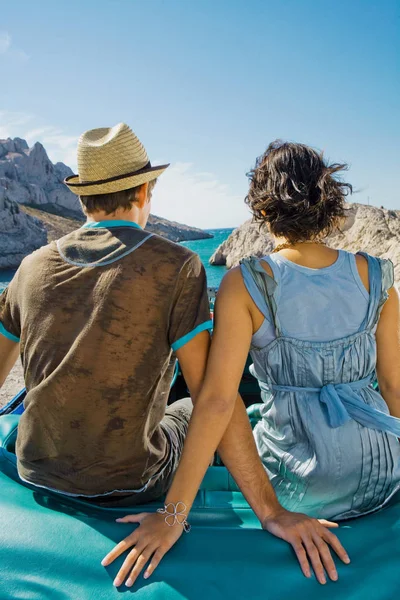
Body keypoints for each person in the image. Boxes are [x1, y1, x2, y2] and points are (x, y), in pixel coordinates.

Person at [0, 127, 348, 587]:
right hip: (133, 485)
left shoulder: (31, 266)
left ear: (84, 201)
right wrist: (271, 511)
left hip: (36, 468)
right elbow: (214, 399)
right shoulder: (176, 265)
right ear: (144, 191)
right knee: (188, 405)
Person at [102, 142, 382, 587]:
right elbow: (397, 393)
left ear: (263, 208)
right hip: (383, 475)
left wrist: (173, 515)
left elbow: (215, 401)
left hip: (306, 486)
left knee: (229, 424)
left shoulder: (246, 283)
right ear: (329, 201)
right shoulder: (376, 273)